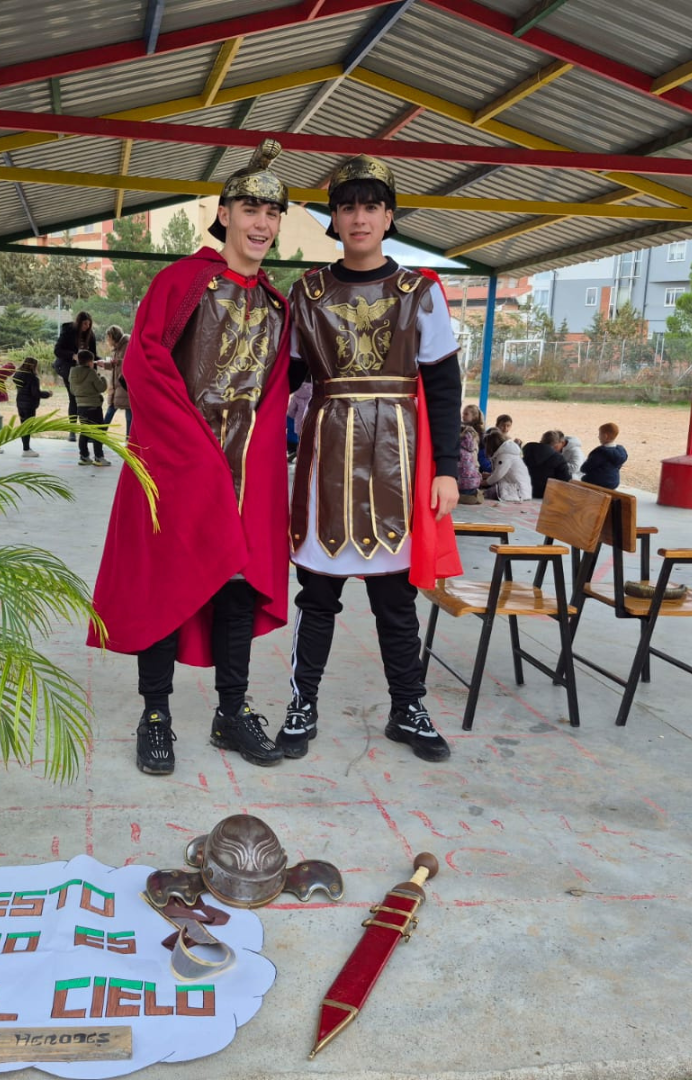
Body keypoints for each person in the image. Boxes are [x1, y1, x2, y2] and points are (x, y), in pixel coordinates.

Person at [87, 140, 292, 776]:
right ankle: (155, 715)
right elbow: (143, 366)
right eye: (251, 209)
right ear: (224, 214)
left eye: (273, 212)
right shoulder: (180, 282)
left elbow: (275, 393)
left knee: (238, 586)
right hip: (177, 463)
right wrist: (194, 454)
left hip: (245, 470)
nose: (262, 222)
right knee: (166, 585)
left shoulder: (277, 304)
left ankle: (232, 712)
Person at [281, 154, 462, 764]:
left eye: (371, 206)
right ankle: (302, 704)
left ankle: (407, 709)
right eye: (347, 207)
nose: (359, 218)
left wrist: (446, 470)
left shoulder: (421, 293)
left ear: (388, 217)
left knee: (395, 602)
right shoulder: (307, 293)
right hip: (325, 459)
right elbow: (283, 378)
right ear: (334, 218)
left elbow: (444, 386)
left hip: (398, 463)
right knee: (318, 597)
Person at [54, 311, 97, 441]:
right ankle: (72, 431)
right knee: (73, 398)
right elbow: (57, 350)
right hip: (69, 369)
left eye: (89, 324)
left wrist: (98, 363)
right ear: (79, 323)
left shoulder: (90, 335)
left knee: (86, 401)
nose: (87, 327)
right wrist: (73, 356)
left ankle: (86, 431)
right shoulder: (68, 331)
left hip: (85, 372)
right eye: (85, 324)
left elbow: (93, 354)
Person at [69, 349, 110, 467]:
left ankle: (84, 457)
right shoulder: (91, 373)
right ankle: (99, 457)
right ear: (89, 362)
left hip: (80, 406)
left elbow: (72, 390)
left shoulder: (72, 373)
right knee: (98, 432)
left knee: (85, 431)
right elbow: (101, 388)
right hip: (94, 406)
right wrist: (102, 378)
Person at [13, 356, 51, 458]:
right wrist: (48, 394)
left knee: (23, 426)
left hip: (20, 403)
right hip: (29, 405)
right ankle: (26, 449)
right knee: (28, 427)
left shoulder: (17, 375)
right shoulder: (33, 378)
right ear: (33, 366)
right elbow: (36, 393)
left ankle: (25, 448)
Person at [481, 428, 531, 502]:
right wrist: (489, 476)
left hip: (517, 492)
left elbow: (498, 475)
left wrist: (483, 483)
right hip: (521, 489)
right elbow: (506, 474)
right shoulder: (507, 453)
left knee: (485, 493)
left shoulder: (504, 456)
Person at [522, 429, 572, 498]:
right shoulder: (558, 458)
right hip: (548, 495)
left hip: (525, 491)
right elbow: (565, 479)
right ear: (556, 444)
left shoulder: (527, 452)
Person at [102, 323, 131, 438]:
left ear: (113, 337)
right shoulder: (117, 348)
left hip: (124, 385)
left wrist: (117, 362)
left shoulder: (127, 345)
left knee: (128, 412)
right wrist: (105, 364)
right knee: (113, 409)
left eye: (108, 337)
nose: (107, 340)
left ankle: (129, 439)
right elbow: (116, 364)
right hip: (117, 385)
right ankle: (101, 434)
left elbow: (128, 362)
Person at [580, 422, 628, 489]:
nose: (598, 437)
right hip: (613, 482)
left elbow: (585, 468)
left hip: (597, 483)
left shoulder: (601, 452)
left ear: (605, 436)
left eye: (599, 434)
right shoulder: (620, 451)